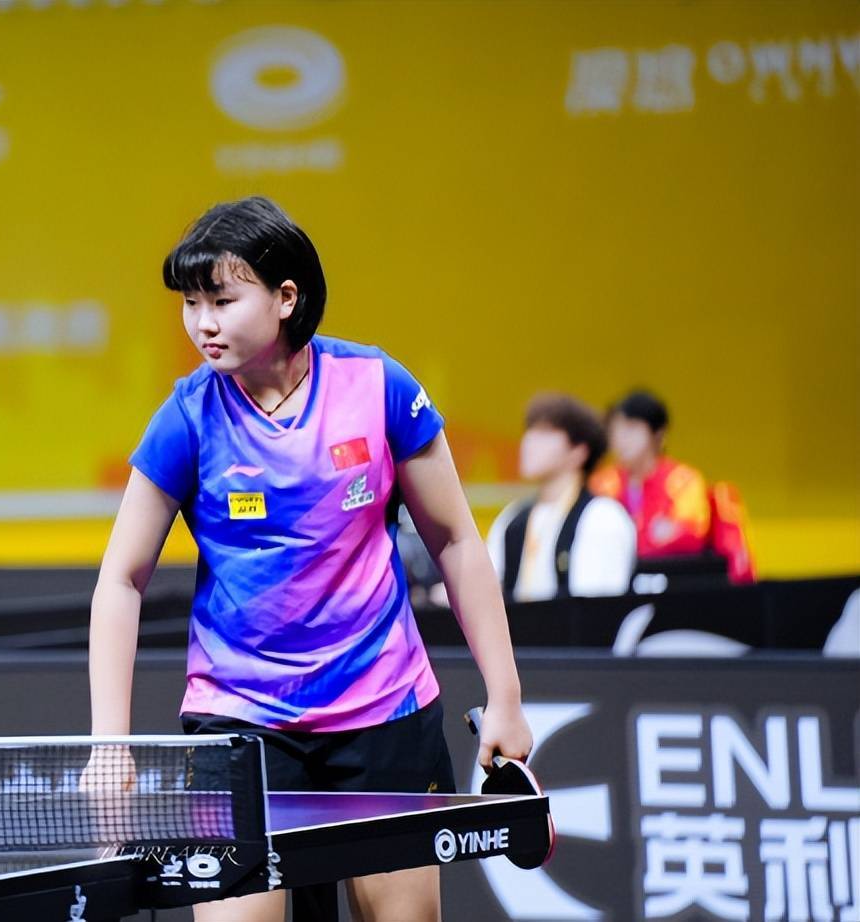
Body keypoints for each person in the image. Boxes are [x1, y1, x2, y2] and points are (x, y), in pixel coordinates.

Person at [86, 196, 532, 922]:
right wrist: (110, 745)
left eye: (222, 301)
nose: (202, 323)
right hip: (241, 721)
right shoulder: (187, 417)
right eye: (191, 303)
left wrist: (506, 696)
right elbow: (121, 579)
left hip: (382, 711)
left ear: (286, 297)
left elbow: (455, 541)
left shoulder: (378, 387)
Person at [592, 390, 756, 583]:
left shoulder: (683, 480)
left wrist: (627, 540)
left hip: (675, 582)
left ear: (658, 434)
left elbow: (689, 536)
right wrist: (651, 532)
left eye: (631, 429)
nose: (621, 439)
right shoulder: (602, 483)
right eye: (615, 431)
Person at [486, 393, 637, 601]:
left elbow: (596, 607)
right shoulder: (512, 517)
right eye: (529, 431)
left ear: (579, 452)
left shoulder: (602, 517)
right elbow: (485, 590)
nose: (529, 442)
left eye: (545, 433)